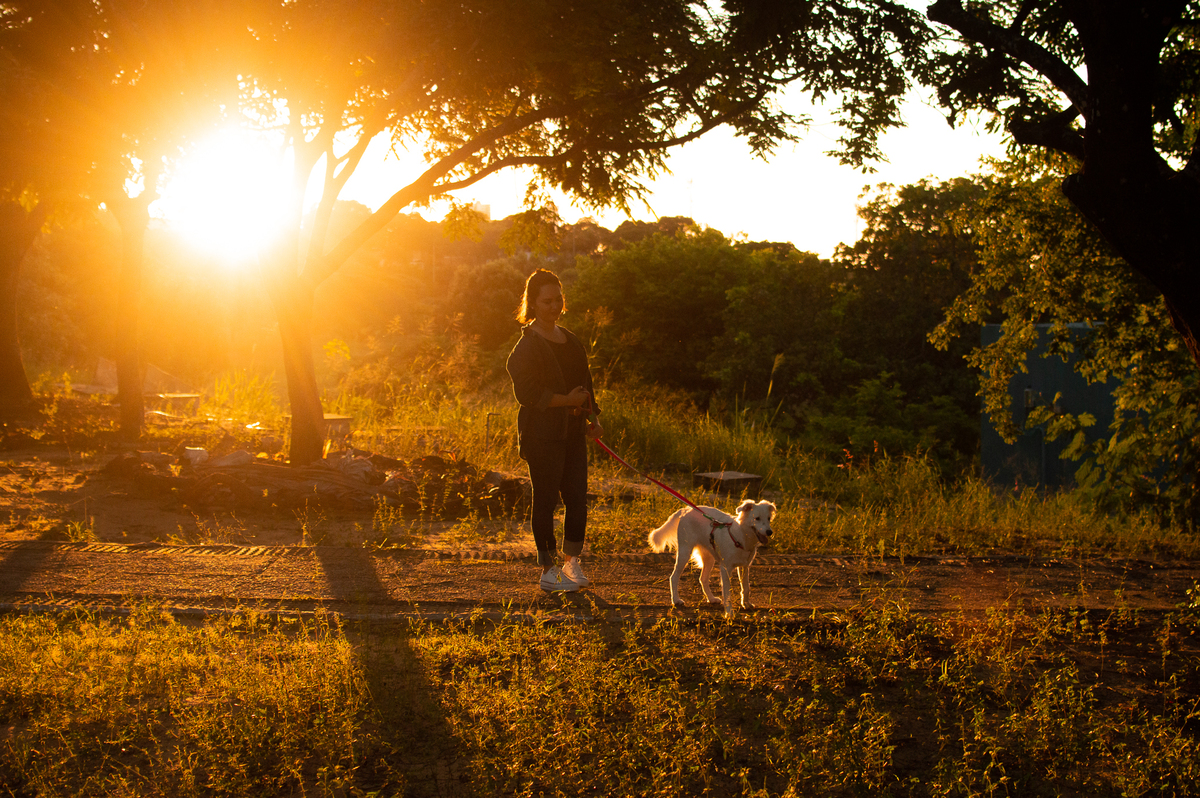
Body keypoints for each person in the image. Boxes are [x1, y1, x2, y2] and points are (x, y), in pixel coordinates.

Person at [506, 268, 604, 592]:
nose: (554, 305)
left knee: (577, 499)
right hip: (541, 434)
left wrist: (593, 417)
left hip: (573, 432)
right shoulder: (526, 347)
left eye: (558, 299)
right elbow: (529, 394)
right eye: (547, 301)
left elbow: (585, 385)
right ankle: (548, 570)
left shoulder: (572, 340)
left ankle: (571, 562)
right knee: (546, 500)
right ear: (532, 303)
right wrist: (566, 401)